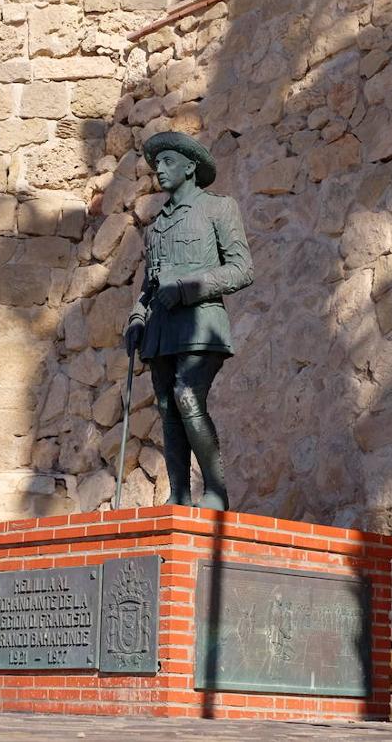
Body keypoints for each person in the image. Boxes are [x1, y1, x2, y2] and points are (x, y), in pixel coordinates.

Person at [124, 131, 253, 511]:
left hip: (201, 324)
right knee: (168, 406)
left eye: (169, 162)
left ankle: (215, 492)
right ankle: (178, 494)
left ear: (191, 167)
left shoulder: (218, 208)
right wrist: (137, 317)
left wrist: (186, 288)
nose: (159, 170)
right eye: (156, 164)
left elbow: (242, 269)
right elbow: (149, 285)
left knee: (187, 396)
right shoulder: (156, 227)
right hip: (161, 330)